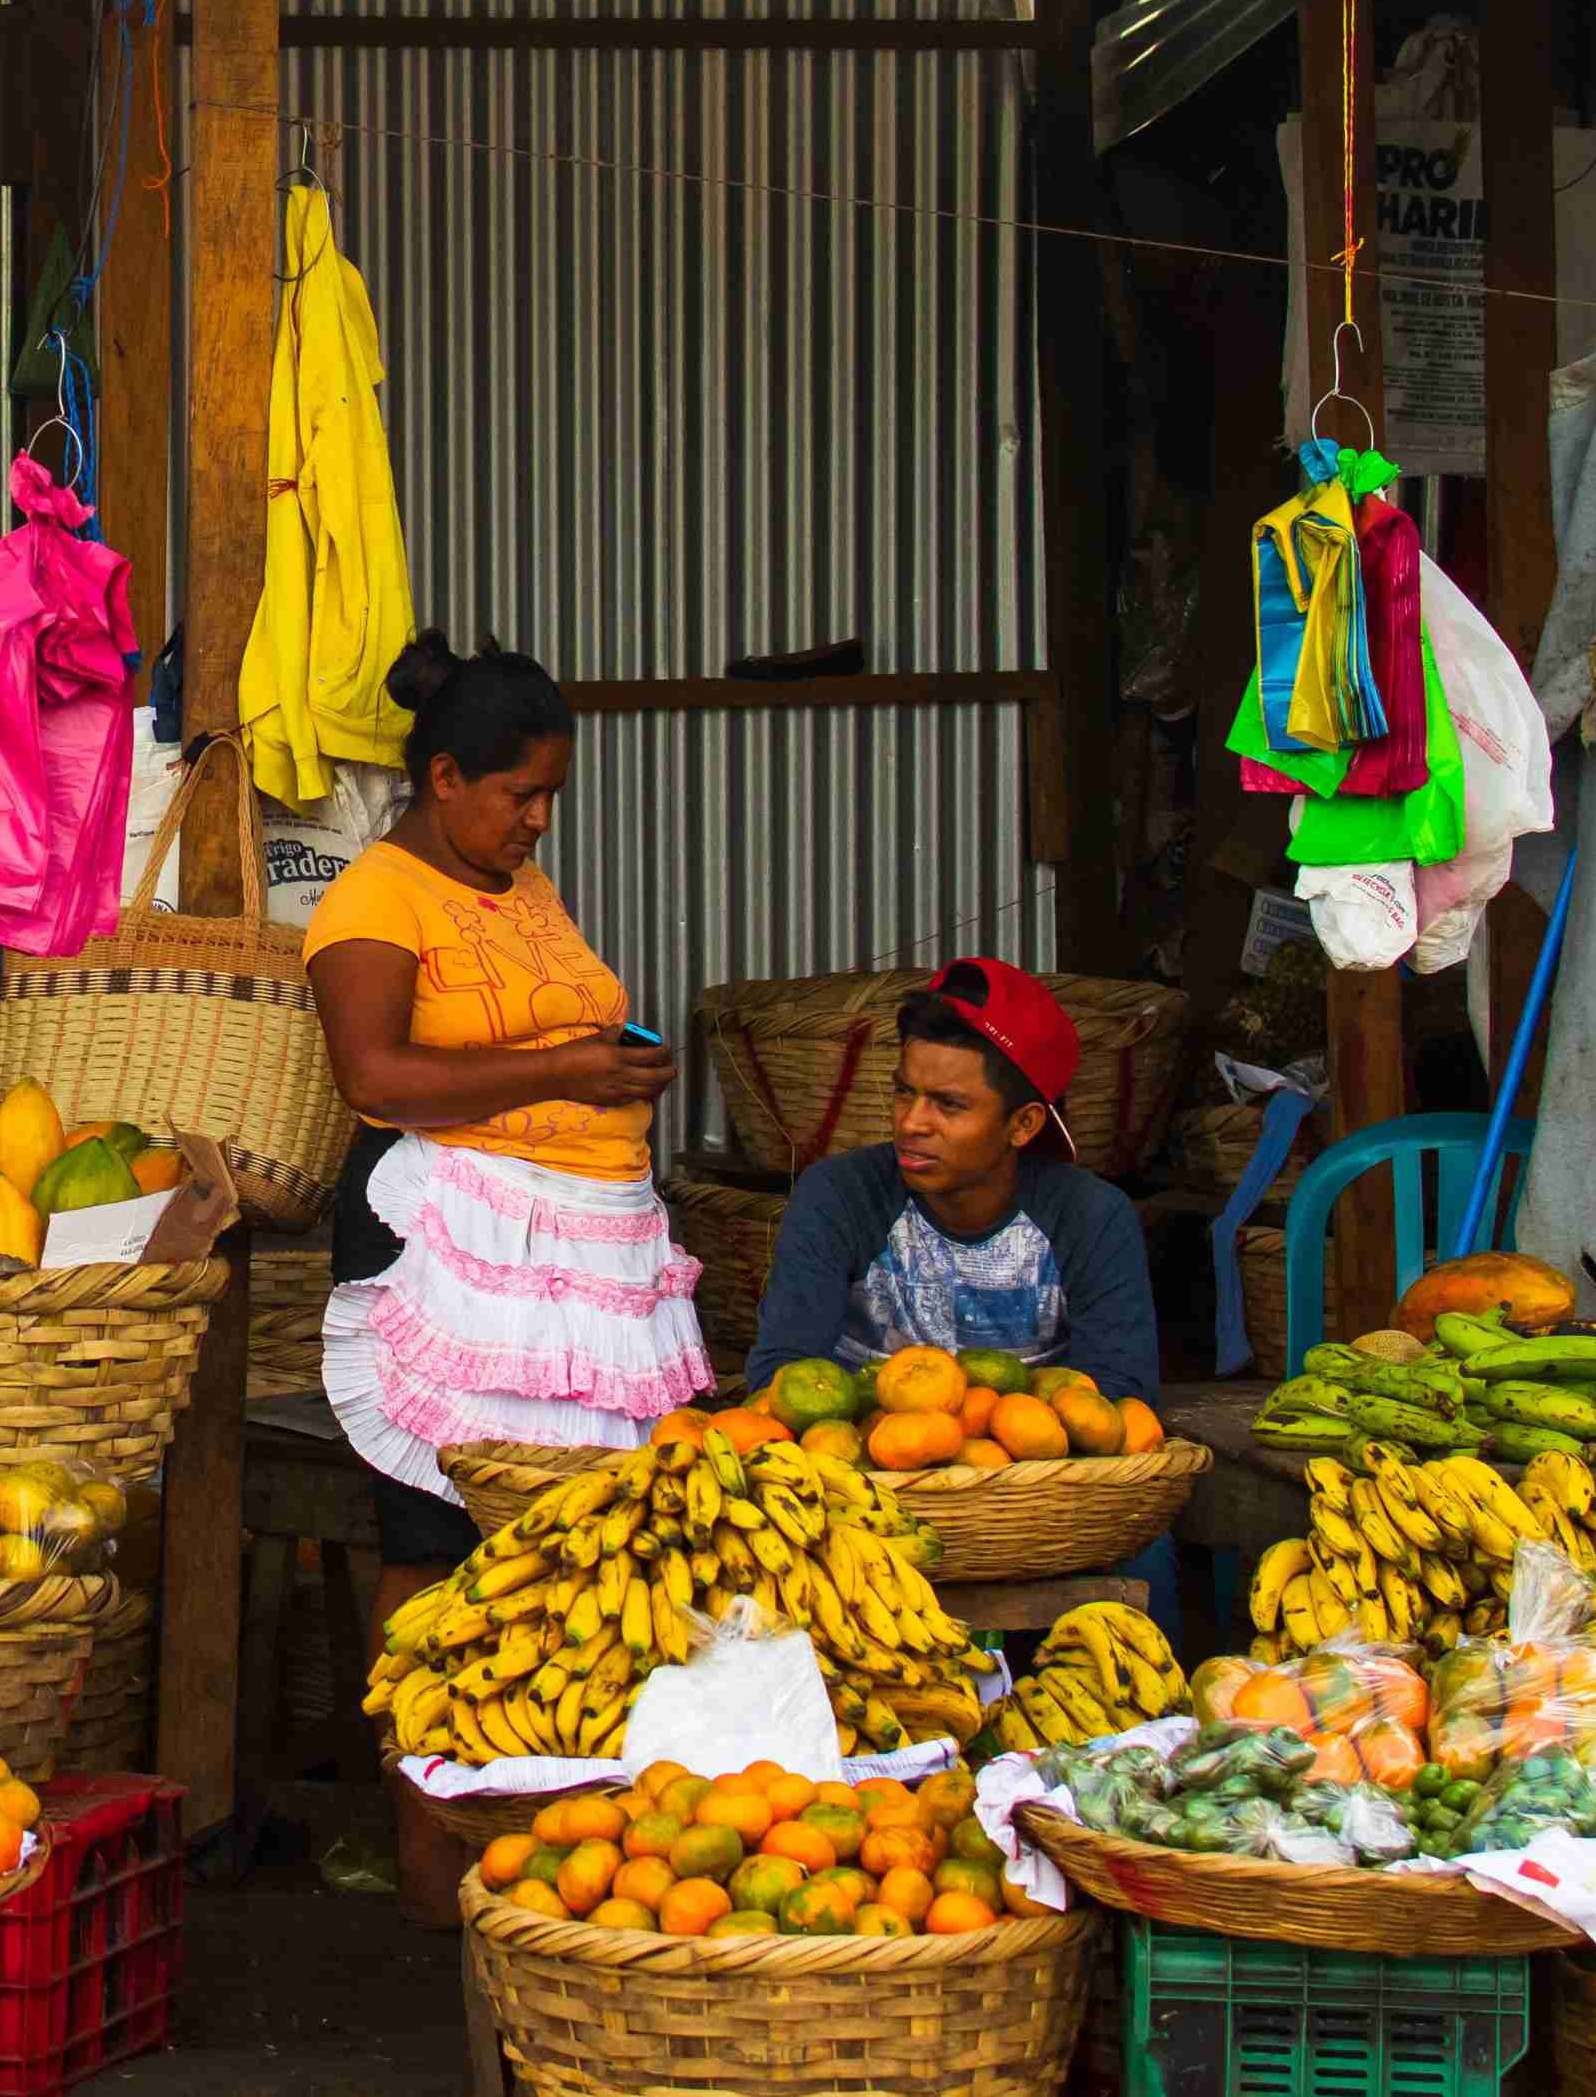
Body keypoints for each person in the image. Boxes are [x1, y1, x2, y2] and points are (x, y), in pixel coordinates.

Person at [304, 633, 708, 1918]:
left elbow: (545, 1027)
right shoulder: (374, 898)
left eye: (548, 798)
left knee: (577, 1532)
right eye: (517, 795)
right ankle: (433, 1853)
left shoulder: (513, 883)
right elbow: (373, 1078)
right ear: (440, 777)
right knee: (437, 1539)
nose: (537, 820)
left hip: (580, 1247)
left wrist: (612, 1064)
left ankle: (559, 1832)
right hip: (453, 1245)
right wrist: (565, 1073)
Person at [740, 959, 1159, 1402]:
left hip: (1034, 1466)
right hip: (861, 1460)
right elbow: (780, 1377)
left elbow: (1119, 1394)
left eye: (949, 1104)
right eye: (904, 1091)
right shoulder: (838, 1194)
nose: (911, 1124)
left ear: (1024, 1125)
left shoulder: (1092, 1217)